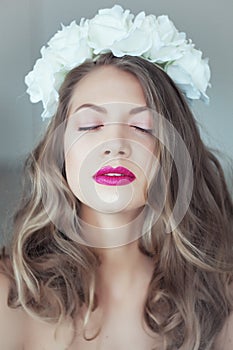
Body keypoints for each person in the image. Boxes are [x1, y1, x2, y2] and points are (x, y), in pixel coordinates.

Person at [0, 5, 232, 350]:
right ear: (60, 150)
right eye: (91, 125)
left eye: (142, 127)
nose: (115, 145)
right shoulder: (10, 291)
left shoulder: (220, 295)